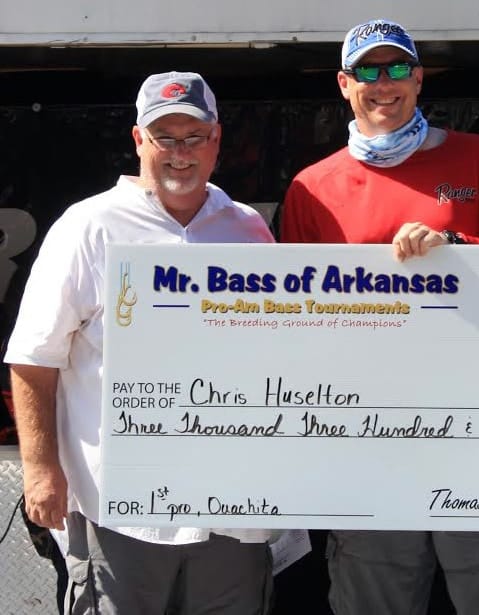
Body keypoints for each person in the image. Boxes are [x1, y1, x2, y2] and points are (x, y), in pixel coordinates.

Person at [280, 19, 479, 615]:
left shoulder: (478, 158)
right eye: (368, 71)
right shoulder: (311, 187)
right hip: (367, 440)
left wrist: (459, 248)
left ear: (419, 78)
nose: (384, 83)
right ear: (344, 85)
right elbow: (291, 322)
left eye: (397, 67)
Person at [4, 71, 275, 615]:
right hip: (119, 511)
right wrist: (41, 469)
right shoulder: (88, 226)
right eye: (164, 138)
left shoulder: (247, 228)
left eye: (193, 137)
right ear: (138, 140)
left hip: (232, 510)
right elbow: (34, 358)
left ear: (216, 140)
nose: (180, 153)